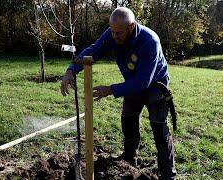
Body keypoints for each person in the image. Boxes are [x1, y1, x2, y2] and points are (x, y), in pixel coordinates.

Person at [60, 7, 176, 180]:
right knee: (128, 121)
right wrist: (71, 70)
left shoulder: (150, 41)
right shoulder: (113, 33)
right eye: (112, 32)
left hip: (155, 87)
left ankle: (168, 174)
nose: (114, 36)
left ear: (132, 26)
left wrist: (110, 90)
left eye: (119, 33)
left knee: (159, 128)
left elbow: (143, 81)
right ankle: (130, 159)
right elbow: (94, 50)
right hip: (132, 84)